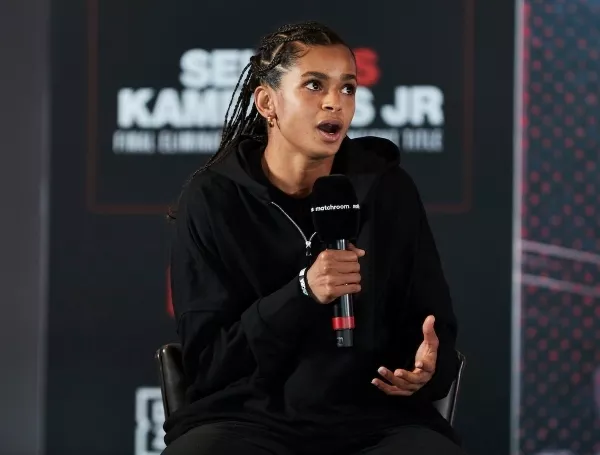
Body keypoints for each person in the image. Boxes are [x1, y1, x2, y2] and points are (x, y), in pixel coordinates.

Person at [163, 20, 466, 455]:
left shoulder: (387, 189)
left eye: (348, 88)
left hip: (374, 419)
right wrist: (303, 291)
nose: (334, 102)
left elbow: (432, 323)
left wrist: (425, 370)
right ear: (267, 102)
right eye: (314, 85)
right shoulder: (213, 199)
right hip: (247, 418)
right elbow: (209, 363)